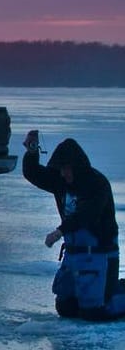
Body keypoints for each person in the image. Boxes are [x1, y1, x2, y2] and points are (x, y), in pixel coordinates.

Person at [22, 130, 122, 319]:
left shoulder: (96, 184)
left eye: (66, 168)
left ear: (77, 166)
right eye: (60, 169)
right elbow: (33, 173)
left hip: (101, 254)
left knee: (94, 312)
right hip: (74, 256)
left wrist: (59, 232)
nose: (63, 173)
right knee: (66, 309)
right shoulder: (61, 181)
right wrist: (32, 152)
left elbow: (86, 215)